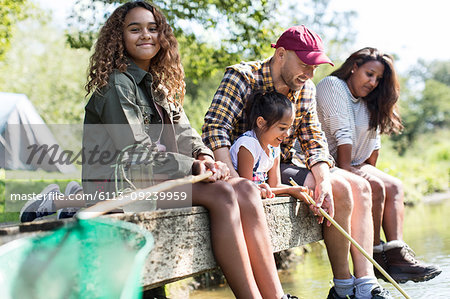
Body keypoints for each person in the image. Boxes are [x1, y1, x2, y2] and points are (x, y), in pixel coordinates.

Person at [22, 2, 298, 298]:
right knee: (223, 194)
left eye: (153, 28)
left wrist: (204, 156)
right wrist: (193, 167)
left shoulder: (158, 87)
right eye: (135, 29)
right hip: (123, 183)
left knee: (242, 188)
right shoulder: (117, 85)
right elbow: (136, 151)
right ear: (119, 37)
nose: (146, 35)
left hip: (156, 179)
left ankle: (276, 296)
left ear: (162, 35)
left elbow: (187, 134)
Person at [202, 25, 392, 299]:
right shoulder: (242, 77)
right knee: (341, 187)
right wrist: (234, 179)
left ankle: (360, 286)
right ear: (281, 54)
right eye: (305, 64)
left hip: (279, 163)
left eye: (315, 68)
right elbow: (215, 128)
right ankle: (343, 288)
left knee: (356, 187)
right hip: (239, 166)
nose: (310, 74)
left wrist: (324, 180)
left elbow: (314, 141)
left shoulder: (306, 89)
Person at [316, 47, 442, 283]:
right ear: (354, 67)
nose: (373, 82)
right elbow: (342, 132)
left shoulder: (367, 101)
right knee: (373, 184)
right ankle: (374, 256)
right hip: (326, 161)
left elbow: (372, 145)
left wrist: (365, 169)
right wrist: (350, 169)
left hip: (352, 162)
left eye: (378, 79)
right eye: (369, 74)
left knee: (393, 186)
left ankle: (397, 256)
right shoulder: (333, 86)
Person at [229, 90, 313, 202]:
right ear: (261, 123)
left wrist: (298, 190)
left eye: (289, 128)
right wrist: (289, 191)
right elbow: (246, 190)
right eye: (282, 128)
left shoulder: (274, 147)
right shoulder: (248, 145)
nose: (287, 134)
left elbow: (276, 185)